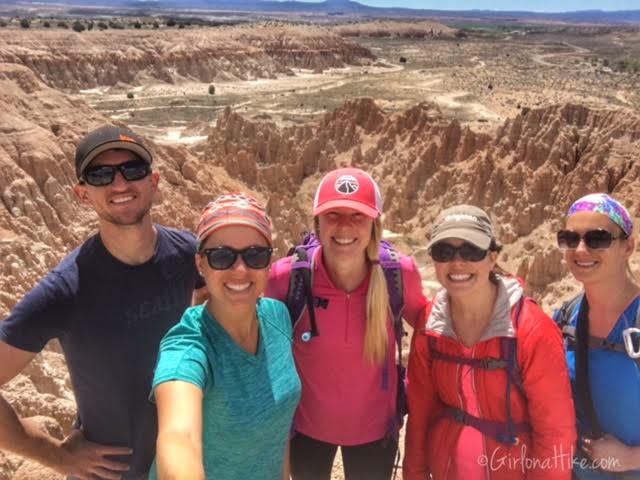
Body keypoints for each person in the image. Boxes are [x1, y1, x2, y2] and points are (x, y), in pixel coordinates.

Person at [0, 124, 203, 480]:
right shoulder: (65, 290)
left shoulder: (188, 255)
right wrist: (54, 455)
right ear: (82, 194)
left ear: (153, 181)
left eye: (133, 170)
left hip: (189, 461)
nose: (120, 184)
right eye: (101, 174)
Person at [265, 167, 428, 480]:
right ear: (317, 223)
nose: (344, 227)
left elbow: (431, 328)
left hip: (376, 431)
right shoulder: (289, 278)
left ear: (374, 225)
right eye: (333, 215)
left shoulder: (399, 275)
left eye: (358, 216)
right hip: (305, 430)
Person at [404, 204, 577, 480]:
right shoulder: (430, 325)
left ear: (493, 257)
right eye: (444, 252)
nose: (457, 263)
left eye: (472, 251)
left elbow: (555, 432)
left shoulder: (532, 330)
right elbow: (420, 412)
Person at [151, 192, 301, 480]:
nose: (240, 270)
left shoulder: (278, 317)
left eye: (255, 255)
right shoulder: (188, 348)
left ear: (270, 260)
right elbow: (179, 437)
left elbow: (277, 428)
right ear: (201, 264)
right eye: (222, 256)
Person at [553, 193, 640, 478]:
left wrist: (630, 457)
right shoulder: (566, 318)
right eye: (569, 238)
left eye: (597, 239)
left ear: (628, 246)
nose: (580, 250)